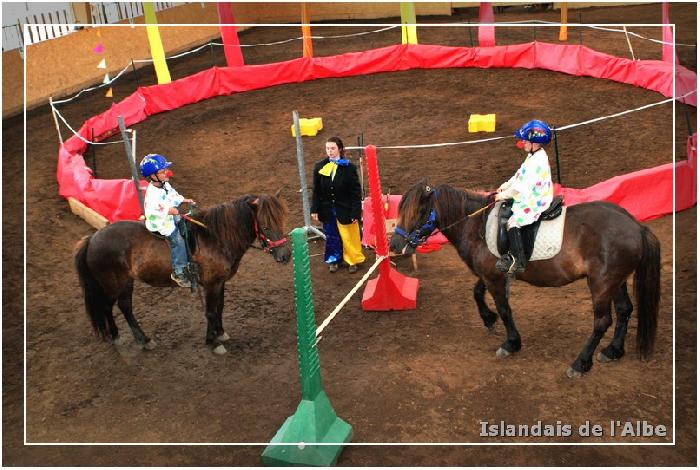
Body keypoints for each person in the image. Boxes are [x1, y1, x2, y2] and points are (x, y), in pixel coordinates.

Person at [495, 120, 554, 274]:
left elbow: (521, 187)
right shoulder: (533, 156)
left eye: (526, 140)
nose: (522, 142)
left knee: (513, 222)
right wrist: (505, 185)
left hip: (537, 198)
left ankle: (519, 260)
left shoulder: (537, 161)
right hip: (532, 191)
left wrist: (503, 195)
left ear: (535, 143)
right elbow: (519, 175)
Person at [140, 153, 196, 288]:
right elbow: (155, 210)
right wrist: (169, 211)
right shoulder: (153, 193)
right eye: (163, 171)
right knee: (178, 240)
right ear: (152, 176)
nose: (167, 173)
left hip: (169, 216)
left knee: (186, 226)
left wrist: (184, 200)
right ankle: (178, 271)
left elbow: (172, 194)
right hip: (161, 222)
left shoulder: (164, 184)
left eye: (166, 170)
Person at [311, 136, 366, 273]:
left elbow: (355, 193)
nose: (329, 151)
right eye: (327, 148)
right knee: (331, 235)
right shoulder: (319, 167)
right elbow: (316, 190)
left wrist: (355, 212)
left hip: (345, 208)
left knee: (350, 236)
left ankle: (352, 260)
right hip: (328, 209)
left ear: (340, 149)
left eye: (332, 148)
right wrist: (314, 209)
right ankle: (334, 260)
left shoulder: (350, 168)